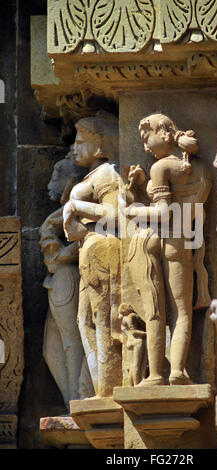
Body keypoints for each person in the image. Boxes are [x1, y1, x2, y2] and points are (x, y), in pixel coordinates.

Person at [126, 113, 211, 386]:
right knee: (182, 311)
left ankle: (155, 375)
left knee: (156, 312)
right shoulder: (198, 169)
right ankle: (178, 371)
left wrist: (134, 211)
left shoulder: (160, 167)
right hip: (183, 240)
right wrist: (141, 187)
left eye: (146, 137)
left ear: (164, 133)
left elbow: (162, 213)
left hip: (159, 239)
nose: (145, 146)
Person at [63, 111, 123, 397]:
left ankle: (108, 389)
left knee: (104, 319)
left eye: (81, 140)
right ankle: (99, 388)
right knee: (85, 321)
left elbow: (114, 214)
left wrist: (76, 208)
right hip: (90, 253)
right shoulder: (95, 174)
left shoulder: (109, 173)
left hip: (104, 251)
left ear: (100, 144)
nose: (75, 147)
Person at [40, 150, 92, 406]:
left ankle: (78, 401)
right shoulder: (64, 212)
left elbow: (88, 235)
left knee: (73, 340)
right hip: (59, 277)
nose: (52, 183)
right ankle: (73, 399)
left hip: (68, 277)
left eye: (58, 175)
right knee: (52, 350)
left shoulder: (82, 205)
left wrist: (60, 256)